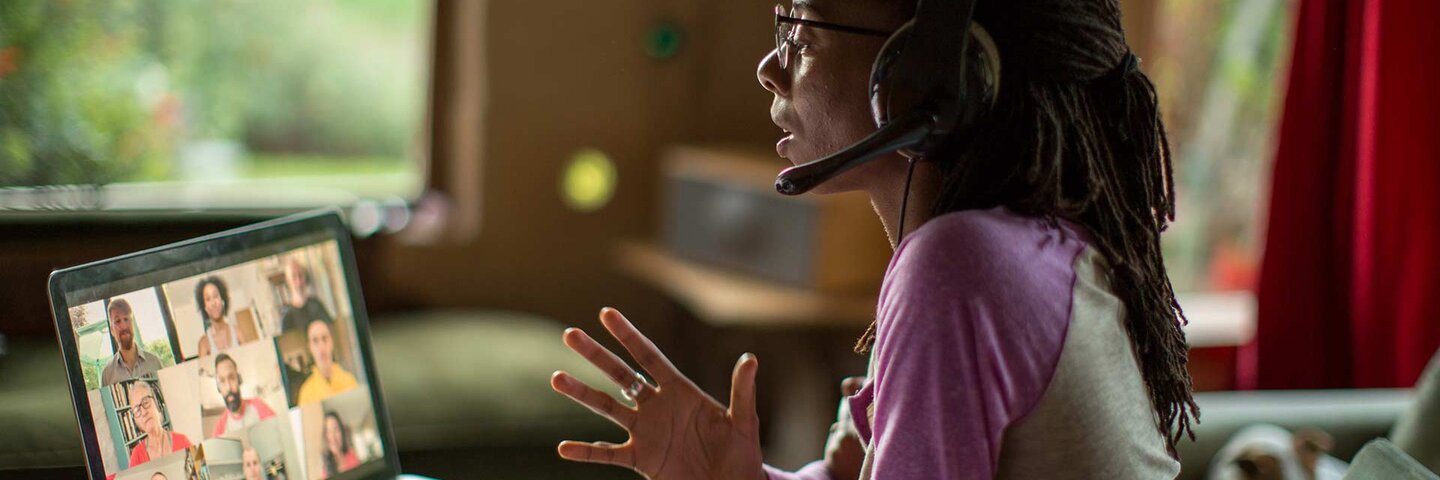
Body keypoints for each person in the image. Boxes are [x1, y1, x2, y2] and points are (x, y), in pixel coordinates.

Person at [549, 0, 1197, 478]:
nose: (771, 68)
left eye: (802, 28)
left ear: (936, 75)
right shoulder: (1039, 247)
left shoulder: (961, 268)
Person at [126, 381, 192, 467]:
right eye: (136, 410)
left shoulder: (183, 441)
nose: (143, 412)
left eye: (146, 402)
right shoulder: (136, 455)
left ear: (157, 404)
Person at [211, 353, 277, 438]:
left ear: (239, 380)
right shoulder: (220, 429)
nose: (228, 387)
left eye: (231, 378)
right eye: (222, 381)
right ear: (218, 388)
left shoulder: (258, 405)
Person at [294, 319, 357, 405]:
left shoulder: (350, 381)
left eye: (324, 339)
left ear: (331, 343)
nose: (321, 347)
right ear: (310, 348)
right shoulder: (305, 393)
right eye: (315, 341)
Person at [101, 299, 162, 386]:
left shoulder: (154, 363)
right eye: (118, 321)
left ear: (132, 323)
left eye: (126, 319)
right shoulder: (107, 375)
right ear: (111, 330)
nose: (123, 326)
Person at [194, 276, 252, 357]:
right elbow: (204, 369)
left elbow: (250, 359)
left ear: (222, 301)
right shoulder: (204, 343)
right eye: (208, 299)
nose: (213, 303)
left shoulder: (238, 332)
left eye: (216, 296)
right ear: (205, 307)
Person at [279, 257, 332, 334]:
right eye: (294, 276)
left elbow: (331, 329)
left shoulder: (317, 304)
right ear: (288, 281)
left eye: (300, 275)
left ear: (305, 277)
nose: (298, 281)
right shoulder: (287, 319)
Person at [321, 411, 361, 478]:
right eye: (328, 431)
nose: (332, 437)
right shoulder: (325, 471)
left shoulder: (352, 456)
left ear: (341, 432)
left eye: (336, 429)